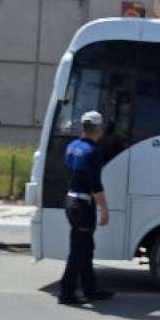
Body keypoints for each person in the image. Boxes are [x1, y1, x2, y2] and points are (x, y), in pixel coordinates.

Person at [58, 110, 115, 306]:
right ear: (99, 129)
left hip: (70, 200)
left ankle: (91, 288)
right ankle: (66, 292)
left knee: (86, 247)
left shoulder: (72, 146)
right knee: (79, 250)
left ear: (83, 127)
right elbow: (95, 186)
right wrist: (105, 210)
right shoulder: (93, 152)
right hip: (83, 204)